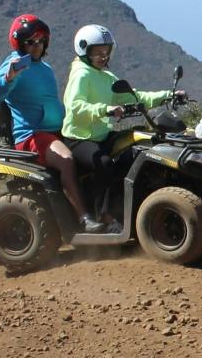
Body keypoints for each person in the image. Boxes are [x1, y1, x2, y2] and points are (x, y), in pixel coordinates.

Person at [0, 13, 104, 234]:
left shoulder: (45, 68)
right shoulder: (15, 65)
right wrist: (8, 78)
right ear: (20, 43)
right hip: (32, 136)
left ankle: (104, 211)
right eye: (30, 42)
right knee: (67, 160)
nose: (37, 46)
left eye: (41, 41)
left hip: (56, 132)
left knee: (96, 154)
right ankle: (84, 219)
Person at [62, 24, 176, 221]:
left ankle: (125, 208)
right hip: (78, 138)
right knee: (104, 164)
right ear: (84, 51)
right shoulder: (81, 74)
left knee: (136, 147)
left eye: (106, 52)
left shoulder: (106, 76)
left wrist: (168, 95)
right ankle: (102, 217)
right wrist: (104, 109)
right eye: (98, 52)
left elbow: (134, 96)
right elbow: (75, 106)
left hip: (102, 136)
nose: (103, 56)